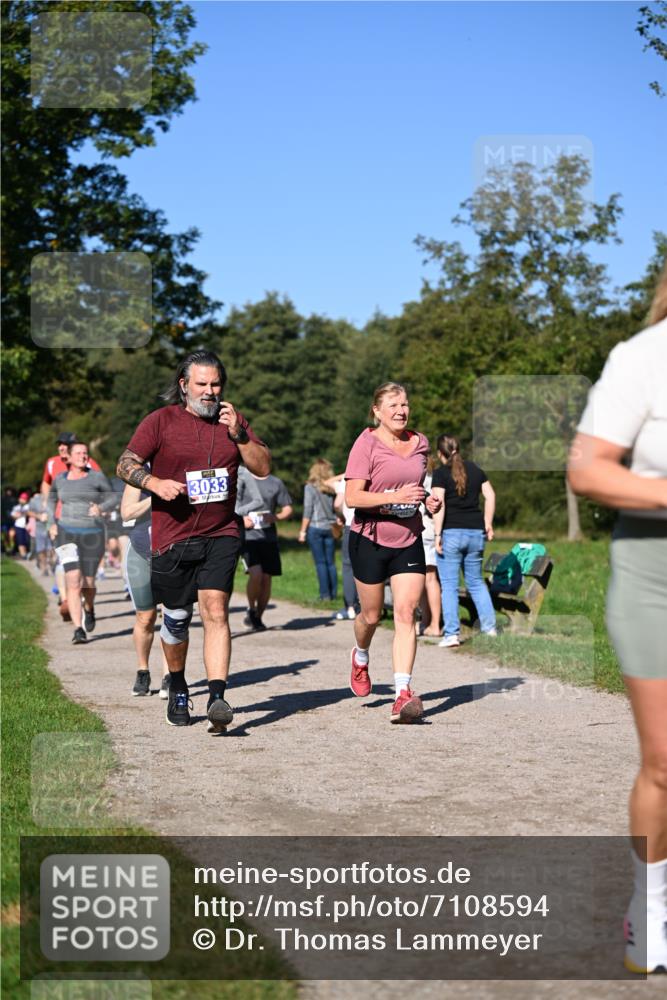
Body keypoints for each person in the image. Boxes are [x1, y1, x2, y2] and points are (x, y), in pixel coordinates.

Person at [568, 266, 667, 975]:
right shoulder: (641, 358)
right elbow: (588, 470)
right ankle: (650, 907)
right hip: (654, 575)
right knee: (666, 766)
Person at [116, 349, 270, 733]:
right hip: (172, 536)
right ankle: (179, 686)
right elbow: (125, 464)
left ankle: (218, 696)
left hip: (221, 532)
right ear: (184, 386)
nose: (210, 391)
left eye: (216, 384)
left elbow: (263, 467)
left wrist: (240, 434)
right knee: (178, 620)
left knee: (216, 611)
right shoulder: (161, 421)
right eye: (202, 384)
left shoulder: (232, 421)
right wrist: (152, 483)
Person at [344, 382, 442, 723]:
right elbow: (353, 498)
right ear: (377, 411)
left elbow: (417, 485)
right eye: (394, 405)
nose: (401, 411)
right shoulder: (365, 443)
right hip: (369, 538)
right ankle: (360, 655)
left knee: (406, 613)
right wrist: (392, 497)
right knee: (371, 616)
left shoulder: (420, 443)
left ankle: (402, 693)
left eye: (405, 404)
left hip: (409, 538)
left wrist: (427, 499)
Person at [47, 441, 118, 643]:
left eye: (85, 453)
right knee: (73, 579)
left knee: (88, 581)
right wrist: (52, 522)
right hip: (66, 532)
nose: (83, 456)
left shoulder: (96, 477)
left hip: (92, 533)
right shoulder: (60, 479)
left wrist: (101, 508)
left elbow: (113, 498)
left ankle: (90, 607)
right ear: (68, 457)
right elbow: (51, 500)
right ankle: (78, 629)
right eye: (78, 453)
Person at [431, 435, 496, 647]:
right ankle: (490, 628)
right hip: (476, 533)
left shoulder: (440, 474)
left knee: (449, 585)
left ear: (441, 454)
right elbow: (491, 495)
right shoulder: (475, 469)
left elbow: (439, 506)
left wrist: (438, 534)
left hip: (450, 534)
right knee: (476, 583)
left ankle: (451, 634)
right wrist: (488, 523)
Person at [41, 432, 101, 621]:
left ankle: (87, 605)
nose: (60, 447)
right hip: (60, 523)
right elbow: (45, 483)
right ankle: (66, 599)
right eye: (59, 444)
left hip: (86, 524)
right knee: (65, 563)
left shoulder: (87, 462)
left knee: (87, 577)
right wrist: (47, 507)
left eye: (64, 444)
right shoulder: (52, 463)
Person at [120, 482, 171, 699]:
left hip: (174, 551)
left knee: (172, 615)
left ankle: (171, 675)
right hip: (141, 550)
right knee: (145, 616)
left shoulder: (182, 467)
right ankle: (143, 671)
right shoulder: (139, 473)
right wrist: (158, 495)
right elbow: (127, 512)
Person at [235, 465, 293, 630]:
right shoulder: (242, 480)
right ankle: (251, 608)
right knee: (256, 574)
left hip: (268, 537)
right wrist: (241, 519)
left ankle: (257, 617)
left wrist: (275, 517)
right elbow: (230, 505)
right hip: (248, 537)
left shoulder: (276, 483)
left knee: (267, 579)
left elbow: (287, 508)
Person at [298, 459, 340, 602]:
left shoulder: (310, 487)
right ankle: (333, 594)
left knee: (321, 563)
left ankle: (325, 595)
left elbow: (308, 510)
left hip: (315, 528)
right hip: (331, 528)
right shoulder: (332, 488)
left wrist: (303, 531)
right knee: (331, 563)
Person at [329, 474, 360, 621]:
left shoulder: (348, 478)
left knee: (348, 567)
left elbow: (337, 503)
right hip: (371, 526)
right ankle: (366, 607)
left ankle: (350, 607)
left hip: (351, 526)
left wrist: (341, 515)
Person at [418, 457, 442, 637]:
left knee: (429, 579)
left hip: (424, 529)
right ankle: (427, 621)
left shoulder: (422, 479)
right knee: (426, 579)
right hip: (429, 530)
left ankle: (433, 623)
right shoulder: (435, 478)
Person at [11, 491, 31, 559]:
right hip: (19, 526)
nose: (23, 500)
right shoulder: (16, 507)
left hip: (27, 527)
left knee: (27, 541)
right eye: (22, 498)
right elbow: (13, 516)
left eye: (24, 499)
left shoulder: (29, 506)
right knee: (21, 541)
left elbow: (28, 513)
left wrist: (21, 514)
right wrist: (19, 515)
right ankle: (23, 556)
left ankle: (27, 554)